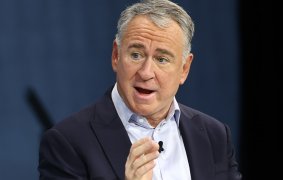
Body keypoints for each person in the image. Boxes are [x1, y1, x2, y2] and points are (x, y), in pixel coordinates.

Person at [38, 0, 242, 179]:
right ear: (116, 56)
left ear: (184, 69)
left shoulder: (214, 136)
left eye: (162, 59)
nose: (146, 72)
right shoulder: (67, 142)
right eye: (136, 55)